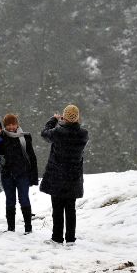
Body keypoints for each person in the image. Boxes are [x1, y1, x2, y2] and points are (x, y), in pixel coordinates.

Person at [40, 105, 89, 244]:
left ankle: (57, 237)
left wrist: (54, 120)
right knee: (70, 209)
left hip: (57, 175)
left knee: (57, 209)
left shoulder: (58, 132)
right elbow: (72, 130)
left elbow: (44, 133)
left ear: (64, 116)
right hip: (73, 177)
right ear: (77, 117)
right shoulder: (83, 134)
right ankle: (70, 238)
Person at [0, 114, 38, 234]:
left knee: (24, 199)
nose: (11, 127)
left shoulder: (25, 137)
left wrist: (33, 176)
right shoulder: (1, 137)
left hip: (23, 174)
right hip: (7, 174)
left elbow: (32, 157)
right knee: (10, 200)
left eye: (13, 124)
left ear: (17, 124)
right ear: (5, 126)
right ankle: (11, 228)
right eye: (8, 125)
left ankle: (28, 228)